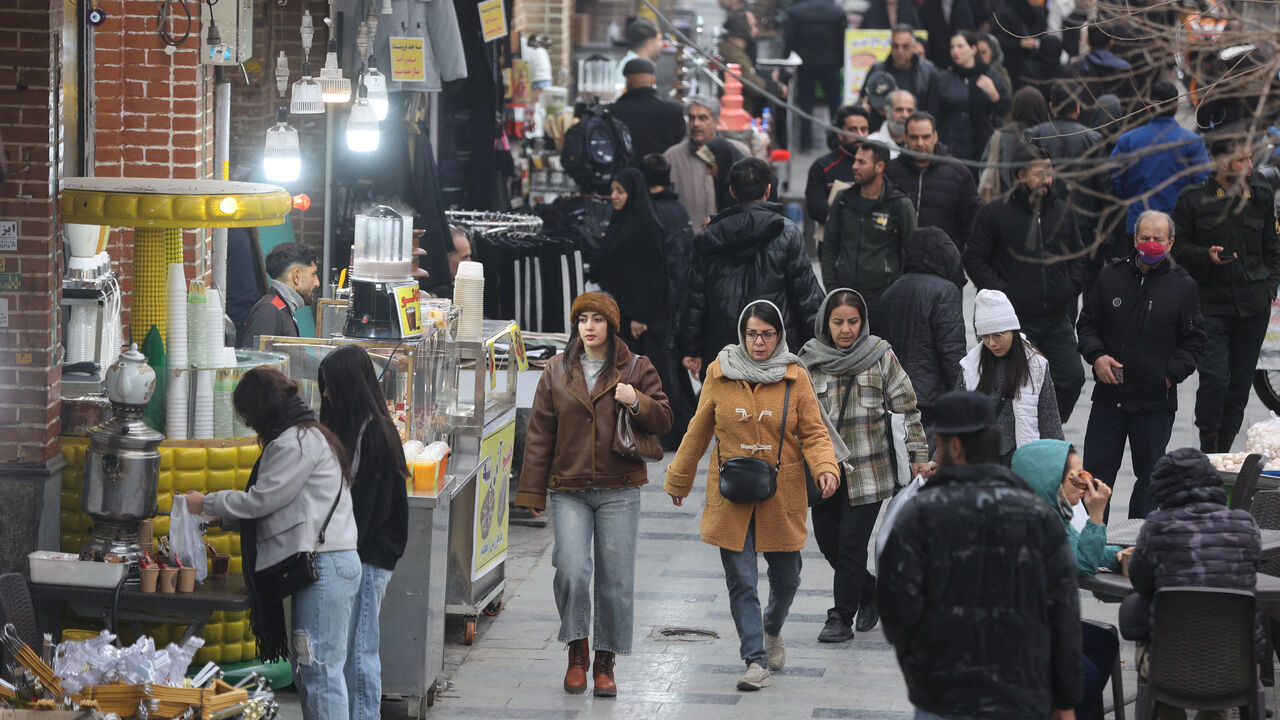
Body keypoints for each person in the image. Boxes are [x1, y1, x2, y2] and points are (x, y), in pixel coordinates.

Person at [666, 300, 841, 691]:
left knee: (788, 578)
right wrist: (679, 477)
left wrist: (826, 468)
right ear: (742, 335)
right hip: (731, 492)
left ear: (779, 335)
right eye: (752, 334)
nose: (759, 342)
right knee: (742, 581)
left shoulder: (795, 376)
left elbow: (813, 432)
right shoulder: (719, 372)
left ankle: (771, 629)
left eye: (767, 334)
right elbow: (697, 429)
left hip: (782, 491)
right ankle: (754, 660)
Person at [878, 389, 1082, 720]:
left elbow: (897, 615)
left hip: (942, 698)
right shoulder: (1038, 516)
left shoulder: (918, 515)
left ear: (954, 446)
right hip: (1023, 697)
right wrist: (1066, 699)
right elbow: (1064, 617)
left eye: (938, 445)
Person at [515, 292, 673, 696]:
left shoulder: (636, 367)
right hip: (568, 489)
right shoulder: (555, 370)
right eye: (582, 319)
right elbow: (538, 437)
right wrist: (531, 494)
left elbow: (666, 419)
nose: (589, 326)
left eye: (597, 319)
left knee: (615, 581)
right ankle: (577, 649)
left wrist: (635, 399)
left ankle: (605, 660)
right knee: (571, 569)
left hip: (619, 490)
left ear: (611, 326)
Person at [184, 367, 359, 720]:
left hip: (326, 565)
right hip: (328, 563)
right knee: (313, 669)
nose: (250, 427)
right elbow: (284, 506)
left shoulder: (295, 442)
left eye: (249, 417)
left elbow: (262, 500)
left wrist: (206, 503)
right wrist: (223, 518)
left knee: (318, 668)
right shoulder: (306, 435)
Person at [799, 289, 930, 643]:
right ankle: (870, 592)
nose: (846, 330)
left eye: (853, 322)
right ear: (826, 323)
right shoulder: (808, 361)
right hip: (825, 472)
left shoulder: (881, 357)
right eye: (838, 322)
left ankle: (840, 616)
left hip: (870, 472)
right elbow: (796, 414)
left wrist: (918, 455)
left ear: (863, 321)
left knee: (852, 545)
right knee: (829, 543)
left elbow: (907, 408)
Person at [1077, 210, 1206, 518]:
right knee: (1095, 475)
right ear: (1134, 239)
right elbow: (1087, 324)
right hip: (1110, 396)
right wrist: (1096, 356)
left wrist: (1169, 376)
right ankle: (1090, 543)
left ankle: (1136, 548)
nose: (1150, 244)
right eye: (1144, 238)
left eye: (1157, 239)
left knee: (1150, 479)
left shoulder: (1183, 286)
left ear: (1170, 242)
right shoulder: (1110, 276)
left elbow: (1195, 341)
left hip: (1155, 401)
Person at [1128, 448, 1262, 720]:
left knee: (1140, 620)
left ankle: (1170, 710)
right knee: (1220, 676)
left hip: (1169, 665)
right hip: (1239, 665)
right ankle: (1216, 711)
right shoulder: (1246, 526)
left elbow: (1141, 583)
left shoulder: (1157, 526)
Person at [317, 345, 409, 720]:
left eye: (330, 385)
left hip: (368, 556)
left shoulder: (374, 434)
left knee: (359, 651)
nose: (325, 394)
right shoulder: (357, 428)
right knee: (353, 648)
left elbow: (368, 506)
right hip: (358, 553)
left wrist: (342, 548)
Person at [965, 143, 1087, 422]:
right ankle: (1014, 438)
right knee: (1012, 385)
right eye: (1038, 174)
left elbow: (1080, 254)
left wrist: (1071, 286)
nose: (1046, 180)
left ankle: (1049, 425)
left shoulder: (1063, 212)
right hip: (1015, 322)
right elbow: (974, 259)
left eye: (1049, 173)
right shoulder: (995, 213)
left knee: (1071, 377)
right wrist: (1003, 293)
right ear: (1020, 175)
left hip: (1056, 318)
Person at [1173, 137, 1280, 453]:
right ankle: (1209, 448)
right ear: (1220, 163)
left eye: (1250, 159)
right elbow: (1177, 249)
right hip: (1211, 305)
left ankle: (1225, 446)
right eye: (1240, 161)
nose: (1249, 166)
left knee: (1238, 387)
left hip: (1252, 306)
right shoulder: (1194, 199)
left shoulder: (1260, 194)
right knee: (1215, 380)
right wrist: (1206, 255)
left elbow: (1272, 249)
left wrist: (1268, 288)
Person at [679, 157, 825, 379]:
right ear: (768, 189)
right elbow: (806, 296)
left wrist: (692, 349)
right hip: (776, 347)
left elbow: (696, 298)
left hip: (725, 349)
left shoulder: (710, 237)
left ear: (732, 191)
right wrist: (816, 347)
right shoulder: (786, 232)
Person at [1012, 439, 1124, 720]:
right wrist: (1096, 514)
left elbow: (1079, 549)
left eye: (1084, 474)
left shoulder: (1053, 511)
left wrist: (1118, 556)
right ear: (1049, 481)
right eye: (1076, 478)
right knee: (1084, 674)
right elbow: (1082, 564)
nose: (1085, 484)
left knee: (1104, 643)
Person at [593, 168, 686, 449]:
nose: (614, 196)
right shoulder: (622, 221)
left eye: (620, 191)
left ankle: (663, 431)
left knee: (647, 375)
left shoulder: (645, 227)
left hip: (640, 318)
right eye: (612, 190)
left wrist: (640, 316)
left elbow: (650, 276)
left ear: (633, 193)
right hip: (623, 313)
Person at [878, 227, 967, 433]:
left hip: (893, 396)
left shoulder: (891, 292)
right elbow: (952, 352)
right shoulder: (946, 291)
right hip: (931, 401)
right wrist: (960, 399)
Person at [958, 289, 1063, 464]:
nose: (992, 343)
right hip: (981, 459)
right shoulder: (971, 365)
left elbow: (1049, 420)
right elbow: (957, 416)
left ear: (1012, 330)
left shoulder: (1035, 364)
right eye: (985, 337)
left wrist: (1060, 464)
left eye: (998, 335)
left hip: (1021, 459)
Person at [820, 142, 917, 319]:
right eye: (855, 161)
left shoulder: (899, 204)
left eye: (862, 162)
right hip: (845, 295)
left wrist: (898, 290)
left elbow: (913, 252)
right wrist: (832, 289)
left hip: (884, 297)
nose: (854, 166)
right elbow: (829, 246)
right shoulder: (844, 199)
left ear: (880, 166)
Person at [1025, 80, 1116, 269]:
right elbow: (1104, 188)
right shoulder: (1092, 139)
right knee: (1086, 279)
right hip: (1084, 224)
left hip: (1043, 219)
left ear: (1051, 106)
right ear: (1077, 107)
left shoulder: (1034, 135)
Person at [1110, 81, 1211, 237]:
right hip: (1178, 226)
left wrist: (1130, 197)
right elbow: (1202, 183)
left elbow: (1113, 178)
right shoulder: (1191, 142)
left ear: (1149, 108)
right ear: (1176, 109)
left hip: (1139, 225)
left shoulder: (1128, 140)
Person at [885, 111, 981, 253]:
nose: (920, 143)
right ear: (904, 137)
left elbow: (973, 225)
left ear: (935, 136)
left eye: (926, 137)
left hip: (943, 263)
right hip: (899, 262)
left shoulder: (959, 174)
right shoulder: (891, 171)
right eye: (914, 137)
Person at [663, 96, 751, 230]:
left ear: (716, 121)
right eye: (692, 118)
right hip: (691, 242)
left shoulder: (739, 152)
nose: (696, 124)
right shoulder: (672, 157)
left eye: (702, 118)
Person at [928, 31, 1010, 170]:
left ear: (973, 49)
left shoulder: (989, 73)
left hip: (982, 145)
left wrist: (993, 94)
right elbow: (934, 112)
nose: (955, 51)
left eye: (960, 46)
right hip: (951, 144)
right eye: (952, 47)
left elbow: (1004, 108)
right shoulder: (944, 78)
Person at [782, 0, 848, 151]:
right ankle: (838, 143)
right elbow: (843, 39)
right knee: (835, 105)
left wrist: (788, 60)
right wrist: (842, 61)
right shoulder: (837, 12)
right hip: (831, 63)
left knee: (805, 104)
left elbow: (789, 39)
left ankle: (805, 143)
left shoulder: (796, 11)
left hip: (806, 63)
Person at [237, 241, 320, 348]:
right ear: (297, 276)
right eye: (313, 274)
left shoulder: (280, 308)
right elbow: (257, 362)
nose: (317, 282)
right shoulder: (269, 311)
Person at [977, 85, 1049, 202]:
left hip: (1003, 202)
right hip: (1038, 202)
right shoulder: (1046, 135)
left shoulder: (1001, 135)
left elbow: (985, 166)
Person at [607, 59, 686, 160]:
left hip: (625, 173)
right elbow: (678, 141)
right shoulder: (674, 111)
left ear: (627, 81)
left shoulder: (612, 112)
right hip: (662, 171)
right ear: (653, 80)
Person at [804, 106, 870, 225]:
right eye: (853, 129)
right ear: (840, 134)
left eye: (863, 129)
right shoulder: (822, 167)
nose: (859, 134)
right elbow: (816, 210)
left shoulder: (877, 165)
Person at [718, 11, 786, 118]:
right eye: (753, 26)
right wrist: (777, 86)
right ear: (743, 29)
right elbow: (753, 85)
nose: (756, 30)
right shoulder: (734, 55)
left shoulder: (734, 50)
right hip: (739, 116)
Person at [859, 26, 938, 113]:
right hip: (882, 123)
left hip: (917, 123)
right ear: (890, 46)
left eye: (905, 46)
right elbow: (862, 100)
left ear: (913, 47)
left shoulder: (927, 70)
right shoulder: (877, 69)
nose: (900, 51)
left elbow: (934, 108)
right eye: (896, 46)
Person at [993, 0, 1063, 90]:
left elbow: (1044, 33)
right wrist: (1020, 43)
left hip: (1037, 62)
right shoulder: (1007, 14)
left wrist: (1038, 42)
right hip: (1014, 64)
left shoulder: (1039, 12)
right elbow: (1000, 40)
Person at [613, 18, 662, 97]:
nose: (661, 45)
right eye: (659, 40)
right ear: (649, 44)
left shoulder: (643, 66)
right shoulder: (630, 68)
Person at [867, 89, 915, 158]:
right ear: (887, 112)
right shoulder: (870, 142)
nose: (905, 115)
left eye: (910, 110)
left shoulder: (921, 144)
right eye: (899, 110)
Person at [975, 31, 1013, 99]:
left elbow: (1006, 100)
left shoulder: (1000, 74)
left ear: (992, 53)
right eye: (977, 52)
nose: (979, 57)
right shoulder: (970, 71)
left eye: (983, 52)